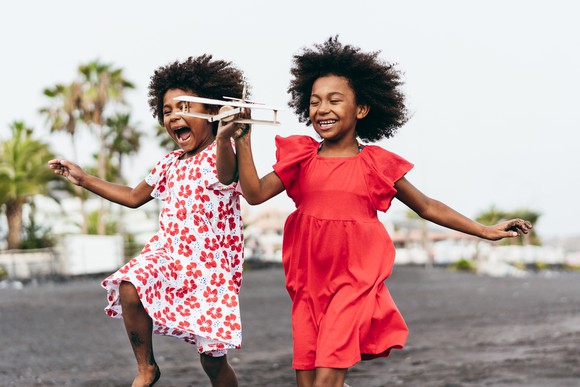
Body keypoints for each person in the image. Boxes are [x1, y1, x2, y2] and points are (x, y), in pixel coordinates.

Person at [216, 37, 533, 387]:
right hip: (307, 286)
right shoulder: (301, 157)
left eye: (335, 100)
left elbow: (427, 206)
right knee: (306, 382)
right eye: (315, 101)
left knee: (326, 381)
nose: (322, 109)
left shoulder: (376, 165)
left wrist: (486, 231)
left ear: (361, 109)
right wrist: (242, 140)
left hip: (354, 282)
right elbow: (255, 193)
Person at [49, 55, 247, 387]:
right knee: (130, 284)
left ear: (212, 112)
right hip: (170, 255)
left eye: (184, 107)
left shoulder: (221, 154)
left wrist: (226, 135)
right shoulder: (169, 163)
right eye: (167, 111)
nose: (174, 117)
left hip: (211, 270)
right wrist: (83, 179)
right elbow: (132, 196)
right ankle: (147, 368)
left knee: (213, 362)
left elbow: (227, 175)